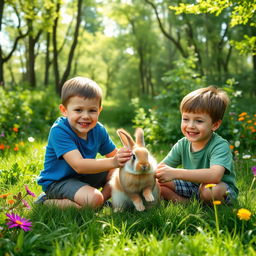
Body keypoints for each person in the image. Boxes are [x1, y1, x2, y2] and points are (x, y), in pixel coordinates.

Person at [36, 77, 132, 209]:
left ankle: (100, 202)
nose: (86, 116)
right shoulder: (60, 130)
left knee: (119, 173)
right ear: (64, 110)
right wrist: (114, 161)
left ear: (99, 110)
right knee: (94, 197)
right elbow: (79, 165)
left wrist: (127, 158)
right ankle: (46, 202)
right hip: (58, 182)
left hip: (83, 177)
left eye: (92, 110)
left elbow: (114, 156)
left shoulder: (98, 130)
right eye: (78, 110)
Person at [155, 86, 238, 204]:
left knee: (210, 190)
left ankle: (202, 203)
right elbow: (160, 169)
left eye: (199, 121)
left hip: (219, 189)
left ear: (215, 125)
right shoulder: (182, 144)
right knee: (158, 183)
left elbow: (215, 176)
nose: (190, 126)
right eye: (185, 119)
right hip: (192, 186)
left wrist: (175, 173)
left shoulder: (219, 145)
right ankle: (188, 203)